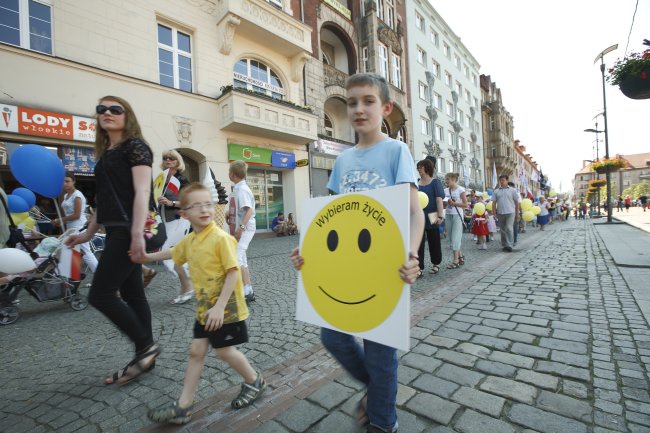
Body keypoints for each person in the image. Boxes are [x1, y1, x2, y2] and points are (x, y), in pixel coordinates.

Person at [291, 73, 423, 433]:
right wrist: (308, 252)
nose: (359, 109)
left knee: (381, 355)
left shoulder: (397, 151)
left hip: (385, 270)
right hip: (346, 270)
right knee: (332, 336)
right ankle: (378, 391)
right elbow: (331, 221)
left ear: (385, 107)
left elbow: (414, 213)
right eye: (352, 103)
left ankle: (383, 423)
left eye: (368, 101)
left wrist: (412, 256)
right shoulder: (344, 161)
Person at [140, 183, 265, 424]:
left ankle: (254, 381)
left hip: (225, 310)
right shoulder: (191, 240)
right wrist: (146, 257)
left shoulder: (220, 238)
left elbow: (233, 272)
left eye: (208, 203)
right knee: (196, 351)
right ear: (184, 213)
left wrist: (218, 307)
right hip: (204, 310)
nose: (204, 209)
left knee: (224, 351)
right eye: (196, 205)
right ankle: (183, 407)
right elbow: (173, 253)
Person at [65, 96, 160, 384]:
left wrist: (135, 233)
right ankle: (146, 356)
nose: (107, 113)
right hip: (117, 227)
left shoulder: (135, 147)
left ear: (126, 116)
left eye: (114, 109)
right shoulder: (107, 152)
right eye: (101, 109)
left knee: (101, 294)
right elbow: (103, 200)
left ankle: (145, 347)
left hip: (130, 228)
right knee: (133, 295)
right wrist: (87, 233)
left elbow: (143, 192)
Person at [156, 149, 195, 304]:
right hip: (165, 220)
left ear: (178, 162)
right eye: (165, 157)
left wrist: (171, 203)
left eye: (171, 158)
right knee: (177, 255)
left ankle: (189, 284)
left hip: (179, 219)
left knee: (168, 254)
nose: (167, 160)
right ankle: (190, 284)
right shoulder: (161, 178)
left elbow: (189, 201)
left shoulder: (182, 180)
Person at [53, 172, 98, 272]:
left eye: (67, 181)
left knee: (86, 252)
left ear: (73, 182)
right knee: (69, 250)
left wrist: (61, 220)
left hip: (79, 226)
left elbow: (76, 215)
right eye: (63, 182)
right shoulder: (65, 196)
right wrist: (62, 221)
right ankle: (68, 274)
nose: (65, 184)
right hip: (70, 227)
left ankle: (101, 274)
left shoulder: (77, 195)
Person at [229, 160, 256, 303]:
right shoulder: (238, 188)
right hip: (243, 227)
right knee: (242, 259)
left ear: (232, 174)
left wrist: (241, 228)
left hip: (246, 228)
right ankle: (248, 291)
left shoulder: (242, 189)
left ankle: (236, 290)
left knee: (235, 257)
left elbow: (249, 210)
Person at [416, 158, 444, 276]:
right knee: (418, 243)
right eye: (418, 167)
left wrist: (440, 216)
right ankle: (419, 268)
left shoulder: (435, 182)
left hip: (432, 215)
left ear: (427, 168)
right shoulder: (416, 182)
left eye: (420, 167)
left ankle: (436, 264)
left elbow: (438, 200)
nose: (418, 169)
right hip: (418, 215)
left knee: (434, 241)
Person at [444, 172, 468, 268]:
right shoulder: (445, 190)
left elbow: (466, 205)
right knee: (450, 237)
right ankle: (460, 256)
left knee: (456, 237)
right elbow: (444, 204)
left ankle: (455, 260)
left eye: (448, 179)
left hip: (457, 215)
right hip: (448, 214)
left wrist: (454, 204)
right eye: (446, 179)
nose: (446, 181)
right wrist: (445, 204)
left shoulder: (460, 190)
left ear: (454, 180)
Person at [491, 175, 520, 252]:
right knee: (503, 230)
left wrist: (517, 213)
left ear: (507, 181)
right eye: (500, 180)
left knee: (509, 228)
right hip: (500, 213)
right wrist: (494, 213)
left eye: (503, 180)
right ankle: (504, 245)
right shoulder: (496, 191)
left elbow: (517, 202)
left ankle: (510, 245)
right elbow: (493, 203)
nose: (501, 182)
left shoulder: (512, 190)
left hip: (510, 212)